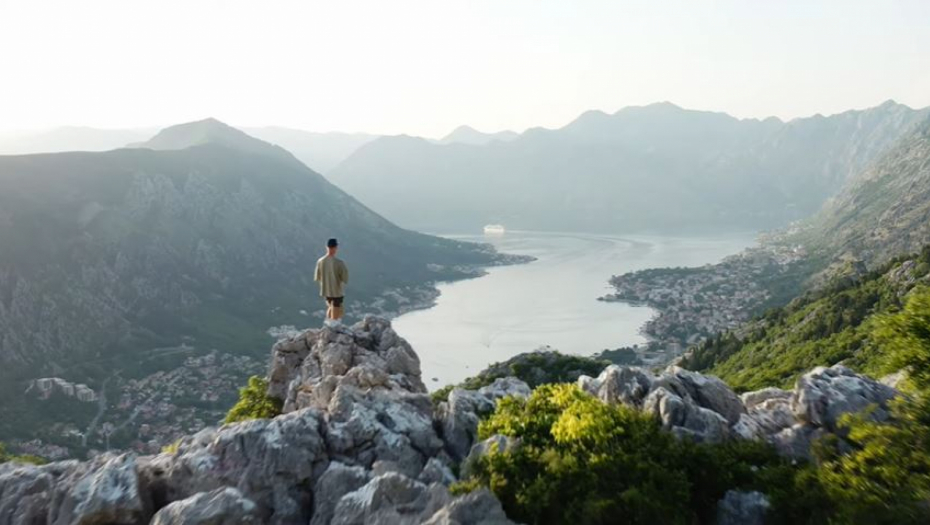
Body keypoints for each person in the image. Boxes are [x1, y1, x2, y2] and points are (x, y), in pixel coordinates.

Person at [315, 238, 349, 326]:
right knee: (337, 307)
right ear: (335, 248)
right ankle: (334, 325)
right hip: (336, 290)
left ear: (326, 247)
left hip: (325, 290)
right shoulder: (339, 263)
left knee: (330, 306)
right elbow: (345, 279)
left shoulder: (320, 261)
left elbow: (317, 277)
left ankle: (328, 323)